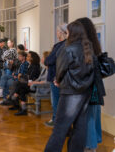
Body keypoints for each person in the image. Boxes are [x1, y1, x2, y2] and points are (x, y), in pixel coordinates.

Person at [44, 21, 94, 152]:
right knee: (80, 127)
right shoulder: (88, 47)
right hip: (85, 92)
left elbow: (60, 69)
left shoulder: (68, 48)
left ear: (71, 32)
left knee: (59, 128)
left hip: (70, 92)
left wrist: (58, 80)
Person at [76, 17, 105, 152]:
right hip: (95, 89)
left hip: (87, 90)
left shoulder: (85, 48)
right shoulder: (94, 45)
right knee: (92, 119)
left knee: (87, 120)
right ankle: (92, 145)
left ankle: (90, 147)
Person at [44, 23, 68, 127]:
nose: (56, 33)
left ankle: (56, 121)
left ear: (61, 33)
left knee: (56, 101)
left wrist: (47, 60)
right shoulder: (67, 44)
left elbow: (49, 60)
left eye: (57, 31)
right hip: (61, 77)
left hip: (56, 77)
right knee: (59, 101)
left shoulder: (59, 45)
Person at [10, 51, 41, 115]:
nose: (27, 57)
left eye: (28, 56)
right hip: (30, 84)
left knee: (19, 84)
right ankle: (23, 109)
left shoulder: (35, 66)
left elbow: (31, 77)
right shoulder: (31, 65)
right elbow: (28, 76)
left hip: (34, 86)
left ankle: (14, 97)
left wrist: (21, 76)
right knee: (21, 88)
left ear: (32, 58)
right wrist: (22, 76)